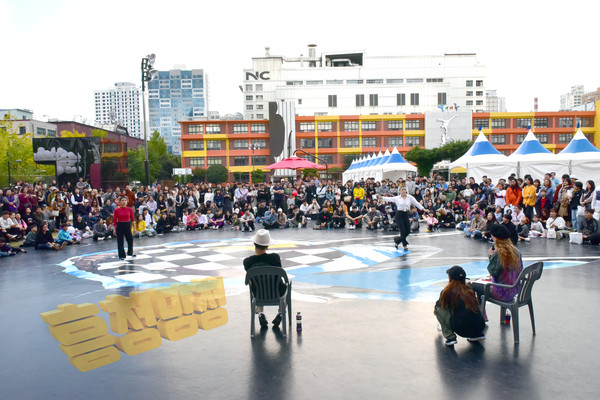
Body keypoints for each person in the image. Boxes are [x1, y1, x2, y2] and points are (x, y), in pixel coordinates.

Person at [470, 224, 524, 312]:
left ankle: (480, 315)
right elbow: (520, 270)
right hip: (515, 289)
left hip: (501, 292)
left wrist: (491, 257)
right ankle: (482, 313)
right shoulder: (516, 251)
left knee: (472, 285)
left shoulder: (498, 254)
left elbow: (492, 271)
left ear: (494, 237)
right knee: (480, 286)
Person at [243, 229, 286, 328]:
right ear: (267, 246)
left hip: (259, 295)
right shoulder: (275, 258)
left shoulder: (247, 262)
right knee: (284, 286)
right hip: (278, 293)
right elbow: (280, 275)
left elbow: (250, 282)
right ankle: (280, 313)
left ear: (254, 243)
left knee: (258, 285)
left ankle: (260, 313)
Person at [434, 266, 486, 346]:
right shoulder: (469, 288)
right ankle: (476, 334)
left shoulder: (447, 292)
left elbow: (439, 307)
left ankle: (450, 337)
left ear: (450, 278)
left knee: (438, 308)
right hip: (480, 327)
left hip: (462, 329)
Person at [382, 186, 425, 250]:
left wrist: (423, 208)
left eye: (405, 189)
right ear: (399, 191)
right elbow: (389, 199)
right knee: (402, 230)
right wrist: (381, 197)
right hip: (399, 214)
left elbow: (416, 203)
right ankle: (405, 245)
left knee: (407, 230)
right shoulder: (397, 198)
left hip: (406, 214)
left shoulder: (410, 197)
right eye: (402, 189)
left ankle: (397, 240)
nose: (404, 190)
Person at [114, 196, 135, 260]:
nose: (124, 202)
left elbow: (132, 219)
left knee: (130, 239)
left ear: (127, 201)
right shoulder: (117, 210)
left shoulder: (130, 209)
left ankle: (130, 252)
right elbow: (115, 220)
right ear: (120, 202)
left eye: (125, 200)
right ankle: (121, 255)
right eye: (122, 200)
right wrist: (114, 229)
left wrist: (133, 228)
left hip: (127, 224)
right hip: (120, 225)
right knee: (120, 240)